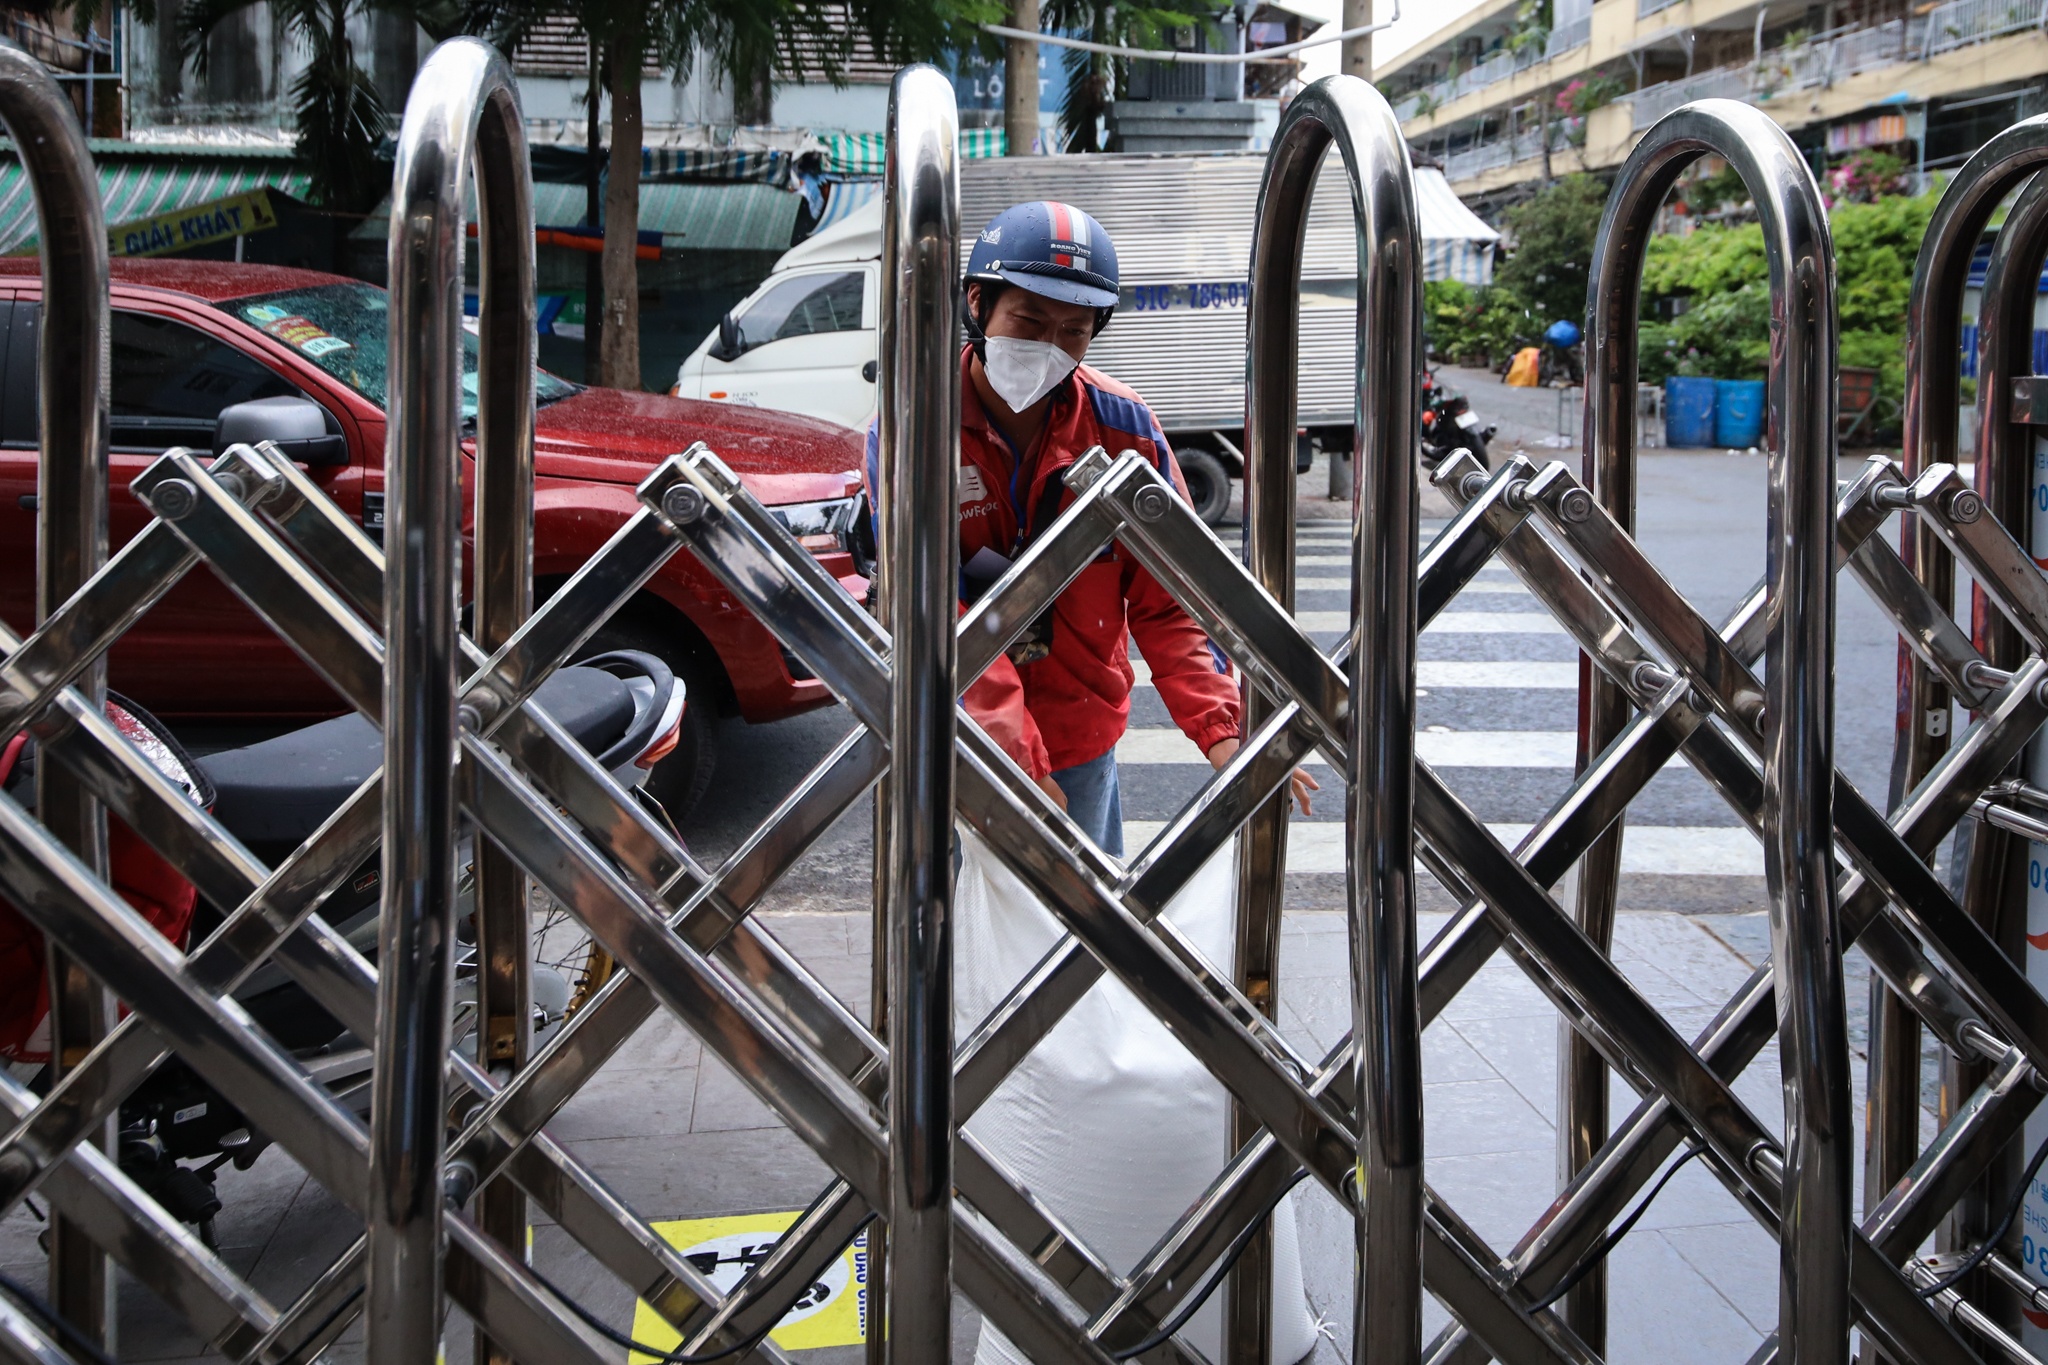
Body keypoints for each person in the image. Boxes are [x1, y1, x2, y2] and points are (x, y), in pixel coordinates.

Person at [865, 199, 1316, 854]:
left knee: (1087, 940)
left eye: (1074, 331)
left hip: (1082, 738)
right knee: (959, 933)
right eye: (1029, 321)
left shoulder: (1124, 427)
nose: (1049, 346)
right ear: (976, 303)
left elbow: (1173, 595)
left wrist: (1223, 729)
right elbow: (925, 605)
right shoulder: (915, 425)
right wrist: (1011, 751)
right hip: (958, 735)